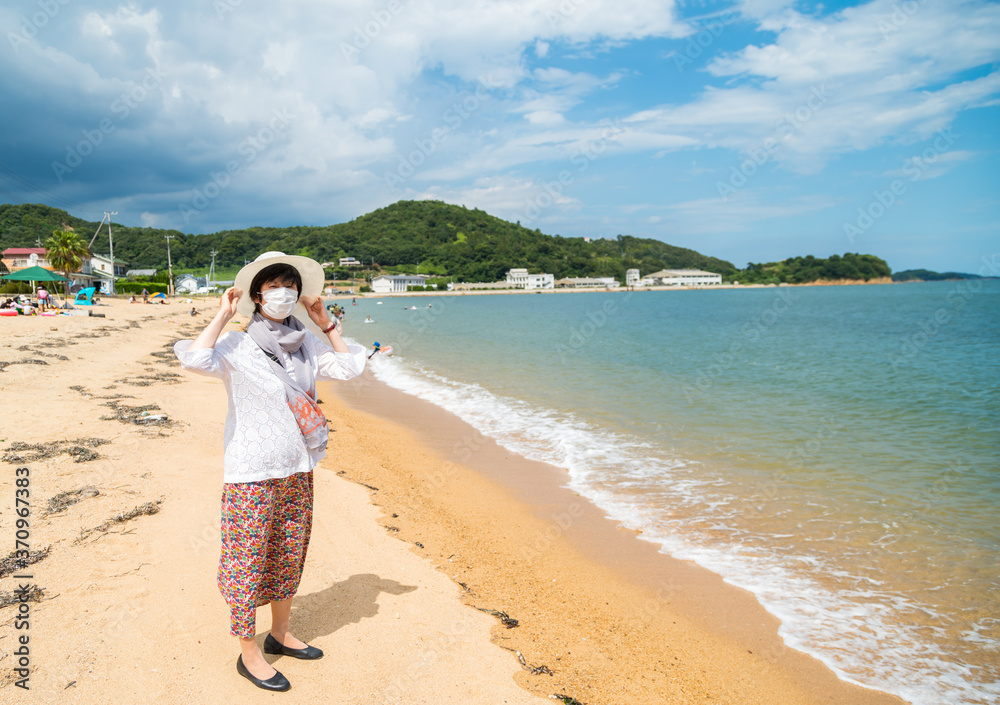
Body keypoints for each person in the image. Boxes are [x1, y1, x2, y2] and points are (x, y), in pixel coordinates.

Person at [173, 252, 366, 692]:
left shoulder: (305, 343)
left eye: (291, 285)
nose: (285, 292)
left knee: (288, 553)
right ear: (257, 295)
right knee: (247, 562)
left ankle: (280, 634)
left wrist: (327, 323)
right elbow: (194, 361)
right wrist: (224, 314)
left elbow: (350, 367)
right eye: (275, 284)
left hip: (297, 468)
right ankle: (249, 653)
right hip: (250, 474)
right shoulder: (237, 345)